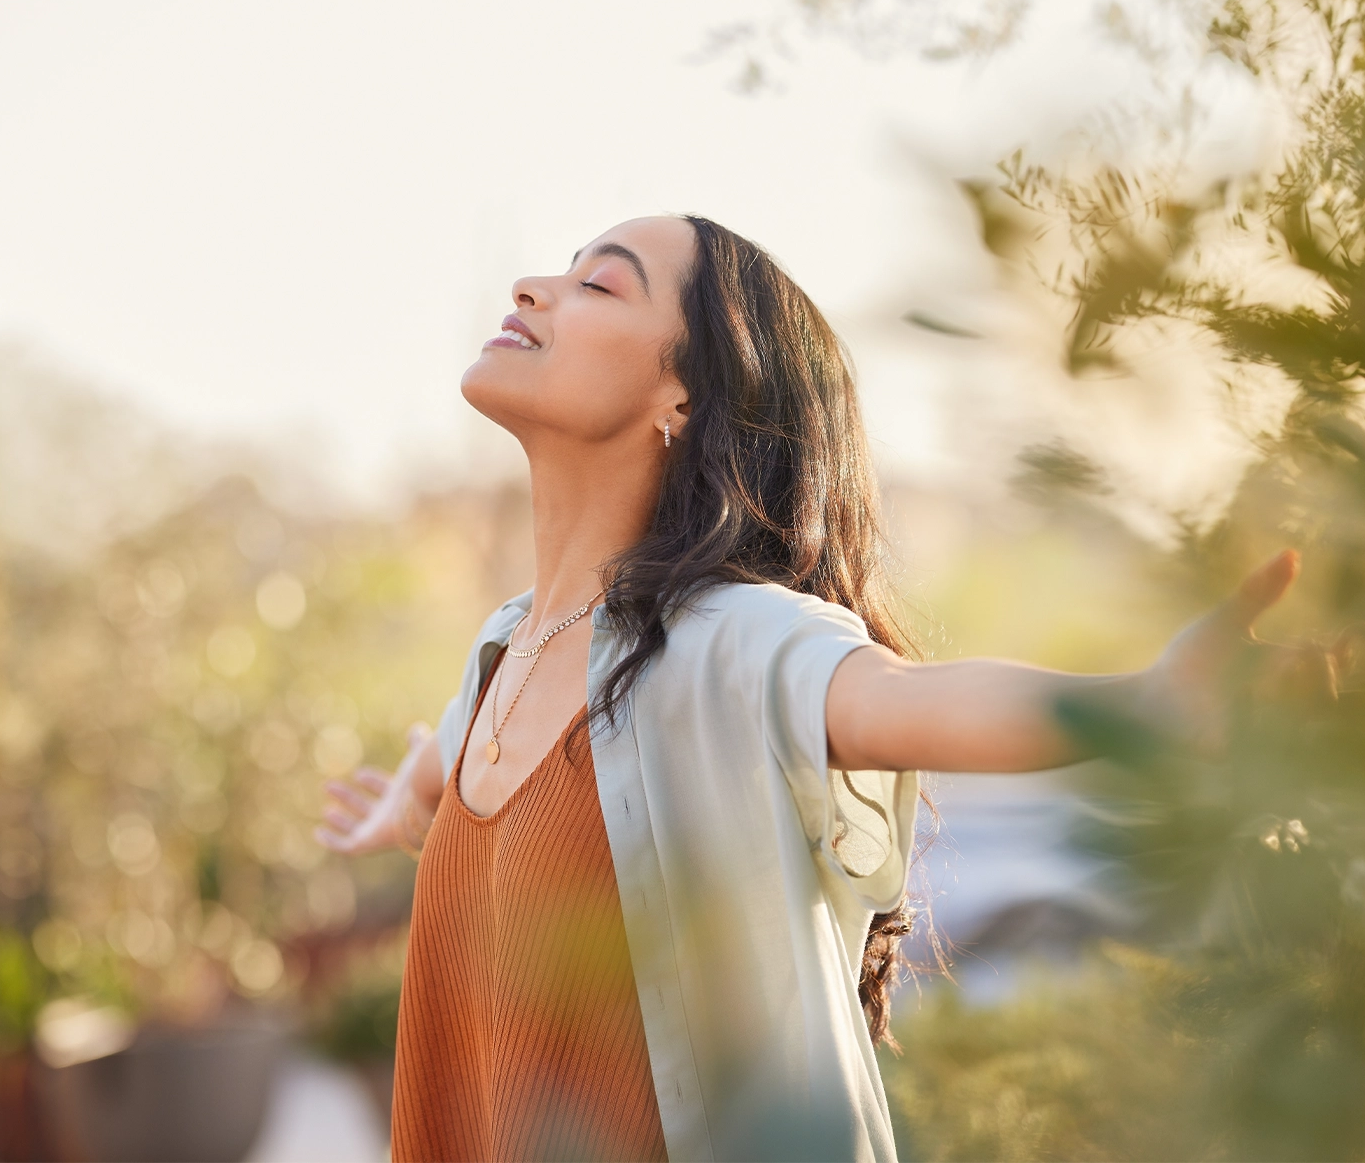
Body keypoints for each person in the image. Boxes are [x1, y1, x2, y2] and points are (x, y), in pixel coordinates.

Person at [315, 214, 1305, 1163]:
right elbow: (465, 760)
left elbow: (905, 702)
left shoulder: (727, 640)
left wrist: (1143, 705)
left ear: (681, 397)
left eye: (598, 283)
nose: (532, 287)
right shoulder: (501, 650)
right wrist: (415, 795)